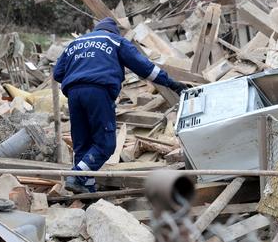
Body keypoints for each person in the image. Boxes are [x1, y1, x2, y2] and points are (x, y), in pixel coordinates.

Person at [53, 17, 187, 193]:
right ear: (113, 31)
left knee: (82, 143)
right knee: (105, 144)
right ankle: (77, 175)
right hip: (98, 92)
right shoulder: (115, 41)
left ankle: (86, 186)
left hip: (73, 94)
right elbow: (145, 68)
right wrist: (171, 83)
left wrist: (78, 79)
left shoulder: (75, 43)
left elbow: (57, 73)